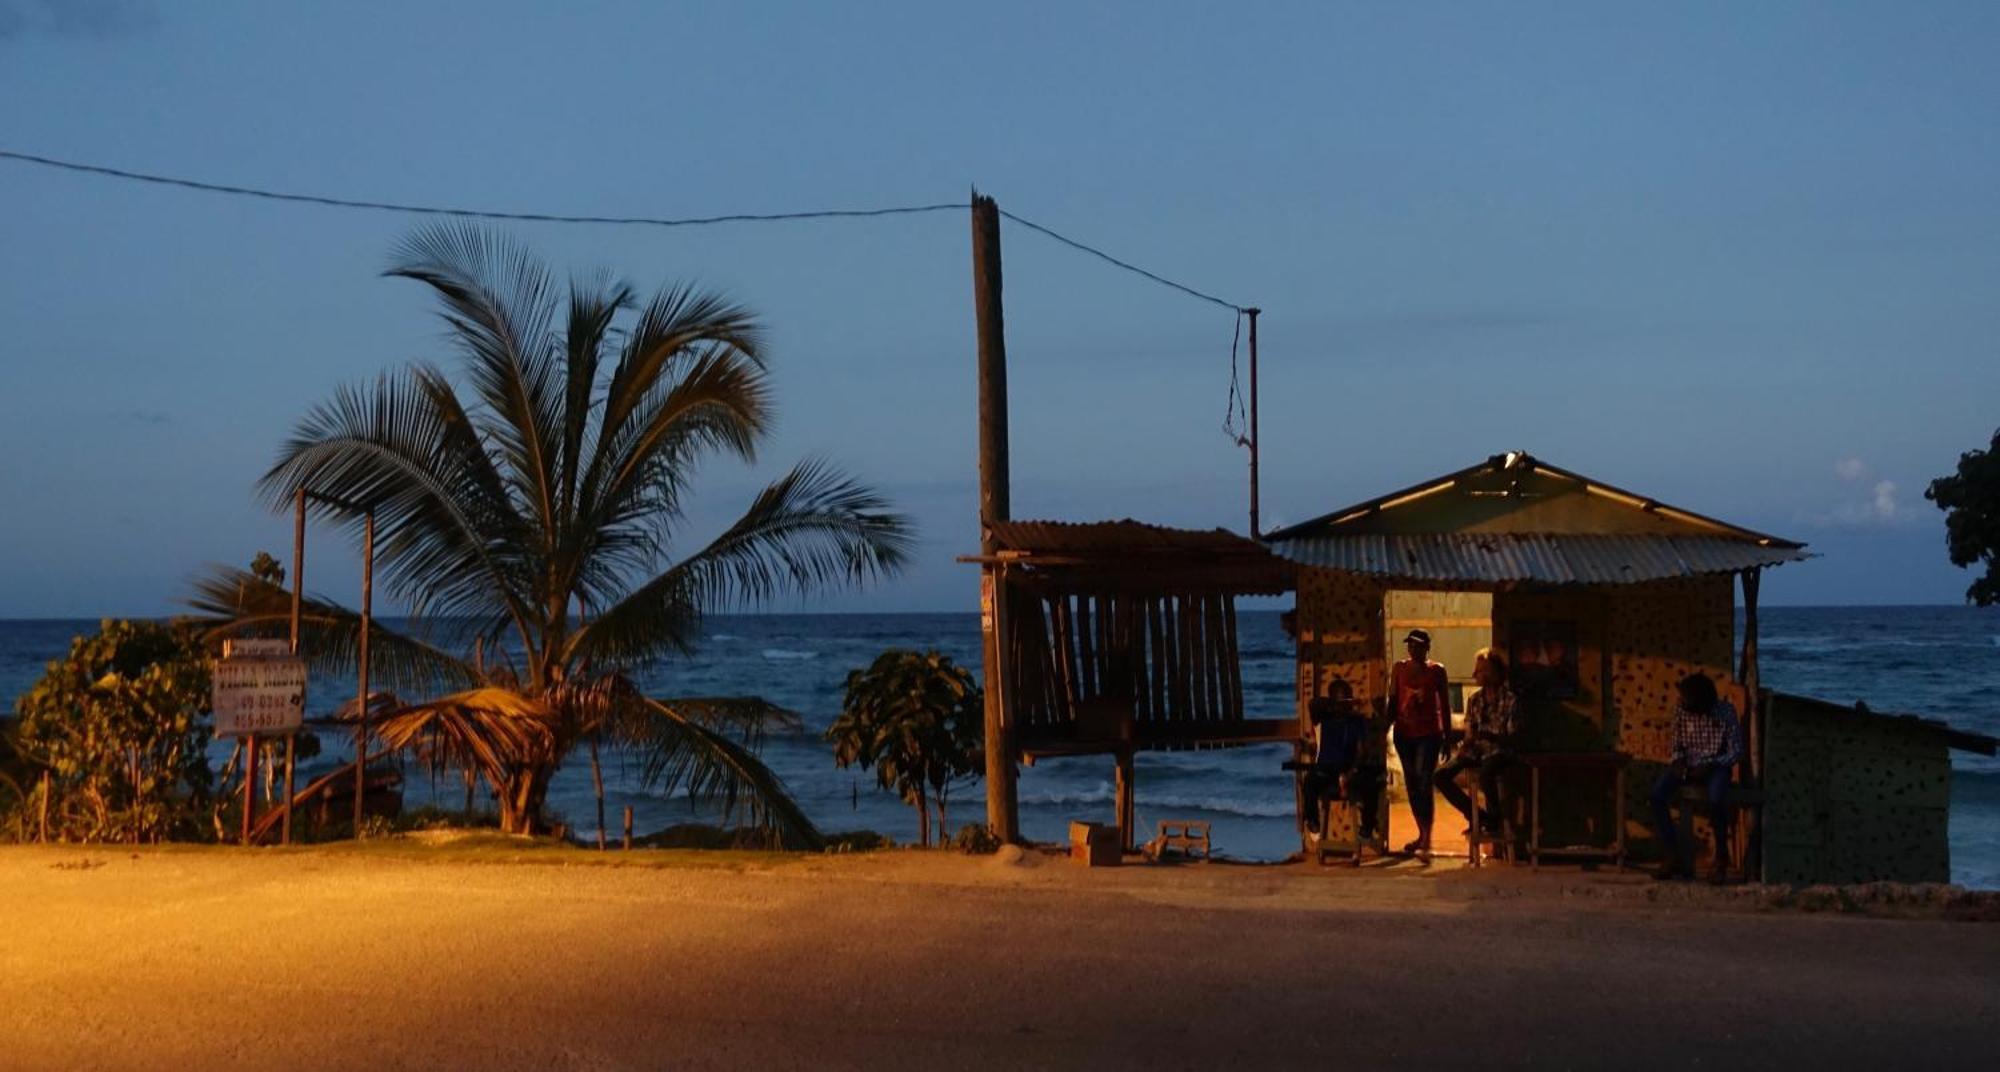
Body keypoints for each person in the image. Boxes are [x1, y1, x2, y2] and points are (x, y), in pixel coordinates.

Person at [1650, 673, 1744, 884]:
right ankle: (1671, 854)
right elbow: (1676, 744)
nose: (1684, 704)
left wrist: (1711, 764)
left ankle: (1721, 858)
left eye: (1689, 702)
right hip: (1688, 765)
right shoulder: (1681, 710)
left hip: (1716, 766)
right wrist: (1678, 761)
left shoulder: (1726, 712)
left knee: (1716, 799)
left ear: (1703, 703)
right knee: (1657, 795)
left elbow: (1736, 751)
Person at [1435, 648, 1519, 836]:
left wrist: (1488, 736)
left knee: (1487, 772)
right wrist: (1466, 744)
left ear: (1494, 673)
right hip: (1477, 750)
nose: (1474, 674)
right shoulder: (1474, 700)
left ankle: (1494, 819)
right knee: (1440, 775)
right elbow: (1470, 729)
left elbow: (1511, 737)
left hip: (1499, 751)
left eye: (1481, 670)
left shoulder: (1510, 700)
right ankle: (1479, 816)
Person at [1388, 628, 1450, 862]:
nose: (1413, 649)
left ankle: (1427, 837)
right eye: (1410, 645)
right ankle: (1422, 833)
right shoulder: (1399, 668)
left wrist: (1447, 737)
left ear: (1427, 647)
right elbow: (1393, 699)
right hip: (1404, 733)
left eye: (1417, 645)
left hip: (1429, 734)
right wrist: (1385, 727)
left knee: (1424, 781)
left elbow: (1444, 704)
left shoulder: (1437, 671)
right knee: (1413, 784)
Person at [1301, 680, 1385, 844]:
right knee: (1309, 781)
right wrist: (1335, 704)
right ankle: (1313, 823)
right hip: (1326, 770)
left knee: (1372, 783)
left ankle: (1367, 828)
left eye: (1347, 699)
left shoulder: (1356, 720)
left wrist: (1350, 773)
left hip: (1349, 769)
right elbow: (1313, 703)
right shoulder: (1322, 718)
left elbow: (1362, 751)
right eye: (1340, 701)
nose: (1344, 705)